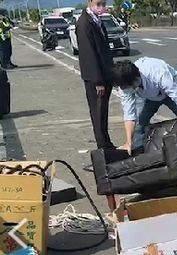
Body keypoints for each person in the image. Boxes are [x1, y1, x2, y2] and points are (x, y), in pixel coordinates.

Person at [111, 58, 177, 154]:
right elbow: (129, 114)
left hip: (170, 89)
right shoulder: (125, 86)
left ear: (136, 80)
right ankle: (138, 154)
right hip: (148, 97)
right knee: (140, 124)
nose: (127, 90)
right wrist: (128, 142)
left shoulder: (157, 73)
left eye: (129, 87)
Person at [76, 0, 115, 149]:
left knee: (103, 113)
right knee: (98, 114)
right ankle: (103, 146)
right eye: (98, 4)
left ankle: (106, 143)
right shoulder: (84, 23)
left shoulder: (96, 20)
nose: (102, 7)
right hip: (95, 78)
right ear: (90, 2)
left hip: (105, 75)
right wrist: (97, 81)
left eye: (103, 4)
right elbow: (88, 54)